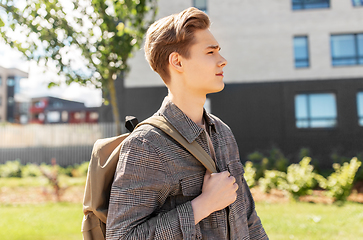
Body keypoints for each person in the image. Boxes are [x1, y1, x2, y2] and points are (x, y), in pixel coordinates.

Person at [106, 7, 268, 240]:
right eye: (210, 52)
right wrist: (202, 206)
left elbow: (249, 219)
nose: (222, 61)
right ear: (178, 62)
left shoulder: (222, 132)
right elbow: (121, 236)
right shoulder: (147, 145)